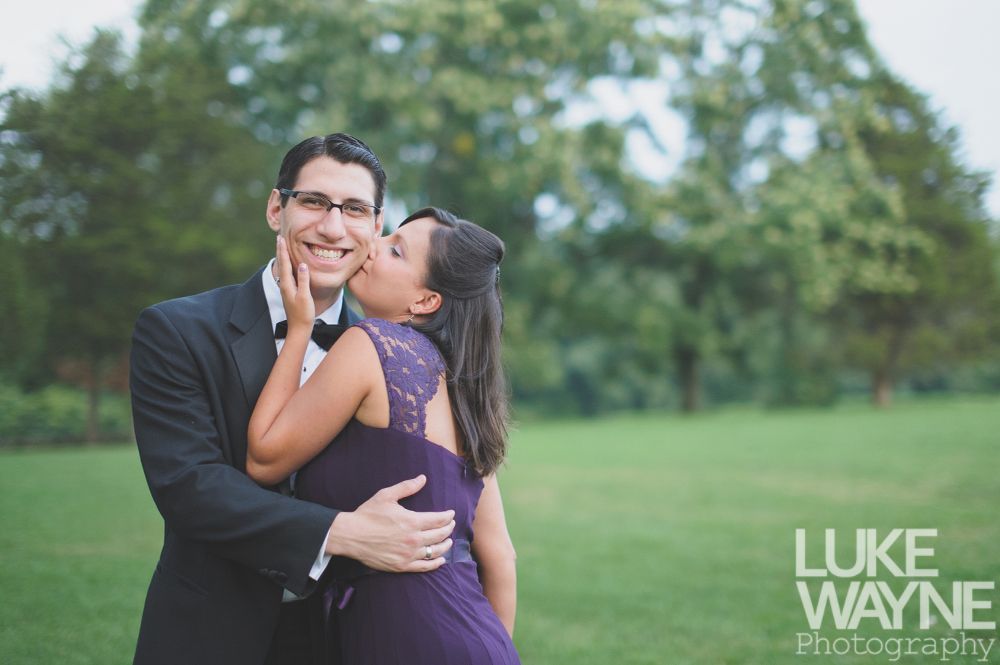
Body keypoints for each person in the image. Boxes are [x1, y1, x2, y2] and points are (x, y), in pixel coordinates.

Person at [129, 133, 457, 665]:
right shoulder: (176, 329)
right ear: (275, 208)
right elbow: (190, 488)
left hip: (344, 638)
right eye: (313, 202)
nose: (332, 226)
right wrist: (341, 531)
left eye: (354, 209)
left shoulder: (390, 360)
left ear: (375, 229)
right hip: (207, 635)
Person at [246, 206, 520, 664]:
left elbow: (264, 458)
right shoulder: (467, 393)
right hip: (477, 641)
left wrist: (299, 329)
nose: (373, 248)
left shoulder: (371, 343)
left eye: (395, 251)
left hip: (410, 641)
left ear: (425, 301)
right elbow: (501, 557)